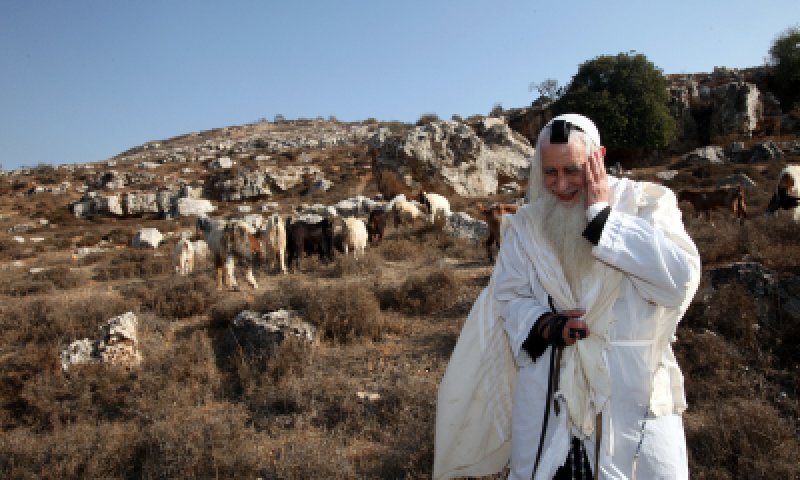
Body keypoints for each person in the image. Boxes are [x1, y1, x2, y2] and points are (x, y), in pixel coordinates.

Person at [434, 113, 701, 480]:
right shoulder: (526, 226)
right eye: (550, 172)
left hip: (629, 394)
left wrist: (604, 219)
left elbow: (678, 282)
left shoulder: (645, 205)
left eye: (572, 170)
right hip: (550, 396)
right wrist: (546, 324)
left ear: (598, 158)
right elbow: (508, 296)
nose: (560, 185)